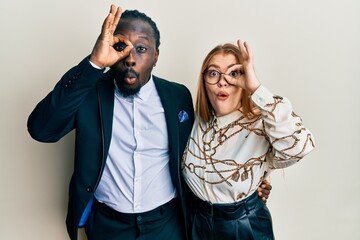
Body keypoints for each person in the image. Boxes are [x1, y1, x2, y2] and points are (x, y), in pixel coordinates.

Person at [27, 5, 272, 240]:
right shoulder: (89, 94)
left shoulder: (178, 97)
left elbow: (203, 149)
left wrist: (247, 187)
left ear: (156, 56)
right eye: (121, 46)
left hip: (168, 224)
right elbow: (42, 129)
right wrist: (95, 63)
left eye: (141, 49)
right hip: (109, 226)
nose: (130, 58)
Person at [182, 40, 315, 239]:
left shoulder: (262, 123)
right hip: (197, 226)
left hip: (244, 228)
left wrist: (255, 88)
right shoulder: (194, 121)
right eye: (213, 73)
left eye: (234, 73)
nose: (222, 81)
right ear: (204, 80)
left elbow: (300, 146)